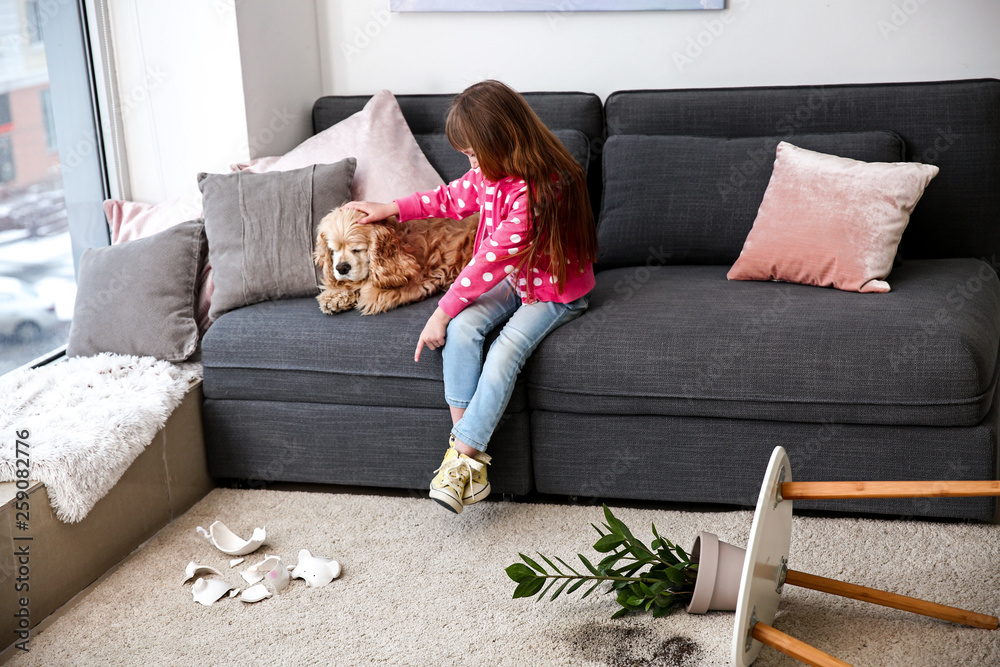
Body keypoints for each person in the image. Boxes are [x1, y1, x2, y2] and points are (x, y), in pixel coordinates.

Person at [343, 80, 597, 514]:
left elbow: (488, 264)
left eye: (474, 154)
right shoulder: (491, 174)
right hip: (517, 279)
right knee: (463, 328)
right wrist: (394, 208)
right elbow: (451, 197)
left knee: (504, 353)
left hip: (552, 294)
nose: (472, 163)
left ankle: (461, 459)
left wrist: (439, 311)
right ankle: (468, 465)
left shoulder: (536, 193)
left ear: (502, 141)